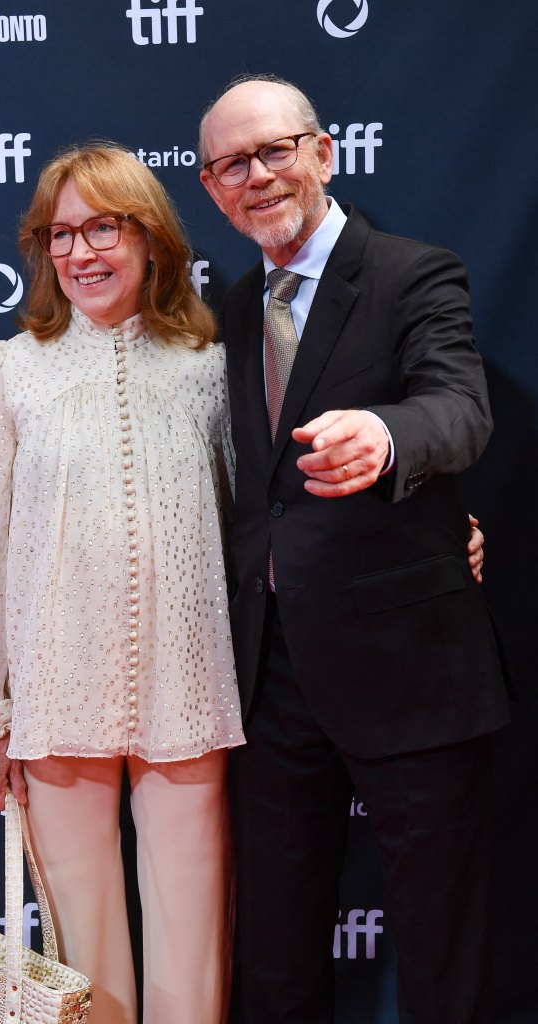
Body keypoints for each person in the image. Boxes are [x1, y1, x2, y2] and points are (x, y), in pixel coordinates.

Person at [198, 75, 510, 1024]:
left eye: (274, 150)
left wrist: (384, 438)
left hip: (408, 666)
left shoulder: (416, 273)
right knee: (277, 951)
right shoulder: (230, 307)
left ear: (323, 153)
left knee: (440, 943)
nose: (256, 176)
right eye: (229, 165)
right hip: (274, 676)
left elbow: (457, 409)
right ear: (210, 189)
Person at [0, 142, 245, 1024]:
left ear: (151, 242)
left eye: (104, 226)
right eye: (60, 234)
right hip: (55, 693)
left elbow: (260, 522)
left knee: (193, 935)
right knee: (81, 960)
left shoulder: (209, 366)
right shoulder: (10, 370)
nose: (81, 252)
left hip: (188, 685)